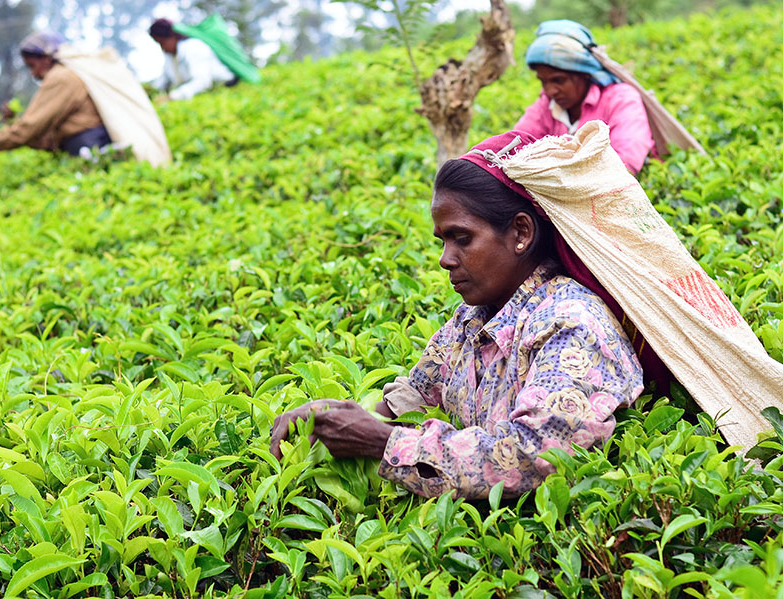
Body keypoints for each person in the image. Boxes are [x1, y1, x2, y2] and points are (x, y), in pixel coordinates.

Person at [270, 130, 645, 500]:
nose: (445, 259)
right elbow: (415, 396)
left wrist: (384, 442)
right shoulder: (474, 318)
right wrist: (328, 417)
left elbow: (537, 455)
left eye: (462, 239)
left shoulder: (571, 323)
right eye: (443, 241)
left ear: (521, 232)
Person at [514, 20, 656, 174]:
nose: (550, 91)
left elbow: (625, 163)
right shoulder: (546, 104)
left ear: (584, 74)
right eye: (543, 81)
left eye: (558, 80)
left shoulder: (621, 99)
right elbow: (516, 146)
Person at [0, 32, 111, 157]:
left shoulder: (60, 78)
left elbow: (28, 130)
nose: (33, 73)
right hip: (86, 148)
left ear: (46, 59)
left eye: (32, 66)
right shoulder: (68, 76)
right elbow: (41, 137)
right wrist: (13, 121)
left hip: (89, 148)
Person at [149, 18, 239, 101]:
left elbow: (203, 82)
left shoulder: (193, 47)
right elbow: (163, 81)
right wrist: (151, 89)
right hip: (203, 95)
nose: (162, 48)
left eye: (163, 42)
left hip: (226, 87)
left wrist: (172, 97)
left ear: (172, 36)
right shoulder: (170, 57)